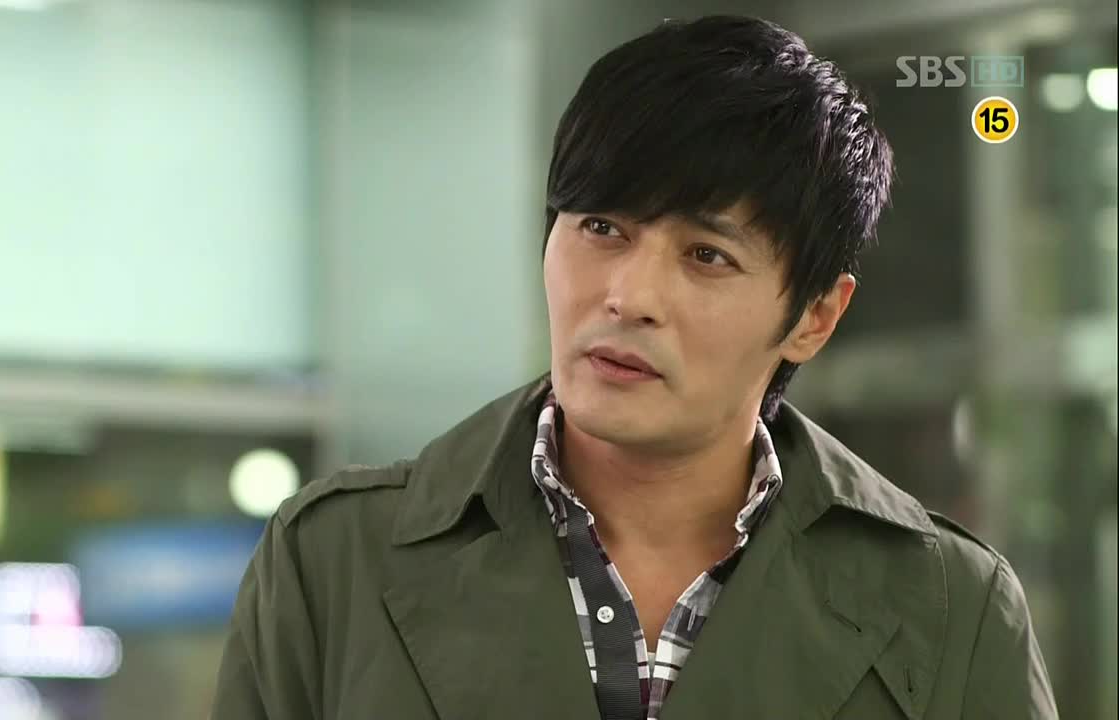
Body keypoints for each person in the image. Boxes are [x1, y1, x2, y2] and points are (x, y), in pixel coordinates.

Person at [210, 15, 1058, 720]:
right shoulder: (333, 562)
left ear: (814, 316)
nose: (628, 296)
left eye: (706, 255)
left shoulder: (951, 606)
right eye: (602, 228)